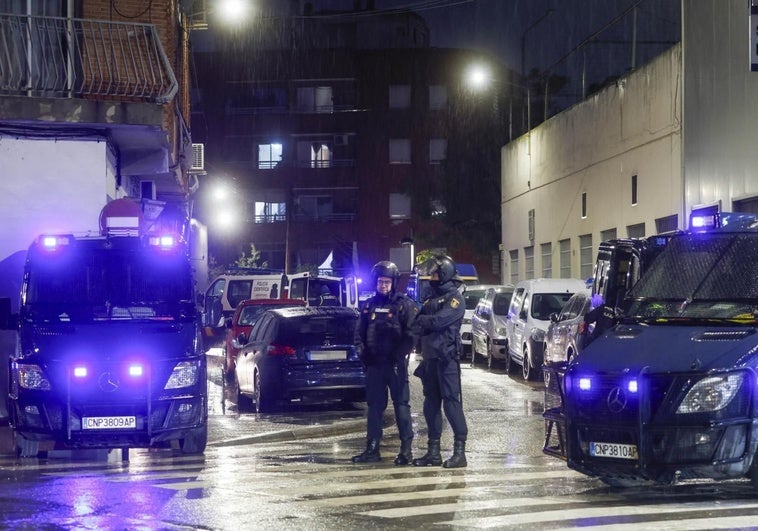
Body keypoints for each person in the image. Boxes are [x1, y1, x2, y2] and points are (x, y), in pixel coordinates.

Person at [352, 261, 418, 465]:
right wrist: (364, 354)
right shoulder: (368, 305)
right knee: (374, 407)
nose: (383, 285)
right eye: (380, 281)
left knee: (401, 407)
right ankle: (372, 448)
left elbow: (412, 333)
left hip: (395, 364)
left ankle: (406, 450)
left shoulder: (403, 304)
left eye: (387, 282)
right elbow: (359, 335)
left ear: (393, 283)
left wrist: (399, 354)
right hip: (374, 365)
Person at [411, 255, 469, 468]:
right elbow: (416, 324)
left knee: (452, 405)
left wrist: (424, 321)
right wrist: (423, 322)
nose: (431, 277)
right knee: (430, 405)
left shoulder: (455, 299)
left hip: (447, 360)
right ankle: (432, 452)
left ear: (444, 274)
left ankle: (459, 453)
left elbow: (437, 322)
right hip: (430, 360)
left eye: (435, 273)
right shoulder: (430, 299)